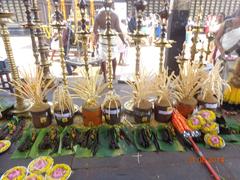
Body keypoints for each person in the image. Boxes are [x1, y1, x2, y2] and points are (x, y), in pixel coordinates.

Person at [93, 1, 127, 82]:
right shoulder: (114, 15)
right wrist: (123, 40)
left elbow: (95, 30)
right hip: (111, 38)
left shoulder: (99, 15)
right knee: (113, 57)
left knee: (103, 58)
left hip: (103, 38)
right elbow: (118, 29)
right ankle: (113, 74)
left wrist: (96, 38)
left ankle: (105, 77)